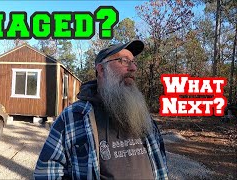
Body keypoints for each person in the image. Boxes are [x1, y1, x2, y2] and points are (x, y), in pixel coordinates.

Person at [34, 40, 168, 179]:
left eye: (134, 62)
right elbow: (46, 172)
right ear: (101, 70)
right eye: (124, 61)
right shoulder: (73, 117)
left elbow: (160, 161)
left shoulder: (143, 115)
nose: (133, 67)